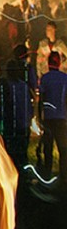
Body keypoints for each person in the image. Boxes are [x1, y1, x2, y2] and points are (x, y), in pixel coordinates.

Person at [39, 50, 67, 182]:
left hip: (49, 117)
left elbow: (42, 99)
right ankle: (63, 174)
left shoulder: (45, 78)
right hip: (61, 117)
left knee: (48, 147)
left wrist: (40, 116)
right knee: (63, 148)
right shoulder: (64, 78)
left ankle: (47, 173)